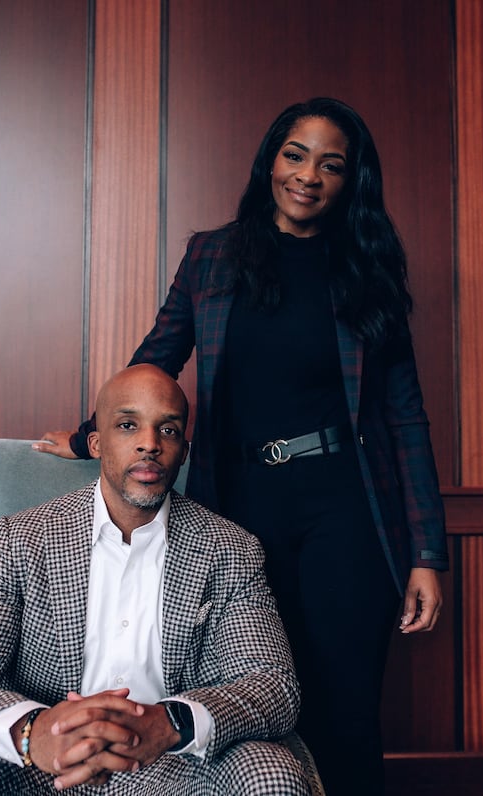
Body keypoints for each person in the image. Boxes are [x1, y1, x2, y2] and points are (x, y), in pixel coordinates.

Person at [35, 97, 449, 796]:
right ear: (271, 161)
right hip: (237, 505)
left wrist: (427, 553)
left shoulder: (365, 270)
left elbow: (406, 417)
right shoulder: (211, 257)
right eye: (295, 155)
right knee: (245, 698)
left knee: (347, 710)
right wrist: (90, 434)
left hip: (344, 505)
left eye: (332, 165)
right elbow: (156, 363)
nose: (309, 176)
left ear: (351, 182)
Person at [0, 364, 309, 796]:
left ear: (183, 451)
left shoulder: (229, 549)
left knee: (271, 775)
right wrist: (33, 732)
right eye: (128, 425)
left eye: (167, 430)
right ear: (97, 443)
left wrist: (169, 723)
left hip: (177, 765)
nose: (149, 443)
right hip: (39, 763)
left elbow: (272, 682)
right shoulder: (23, 538)